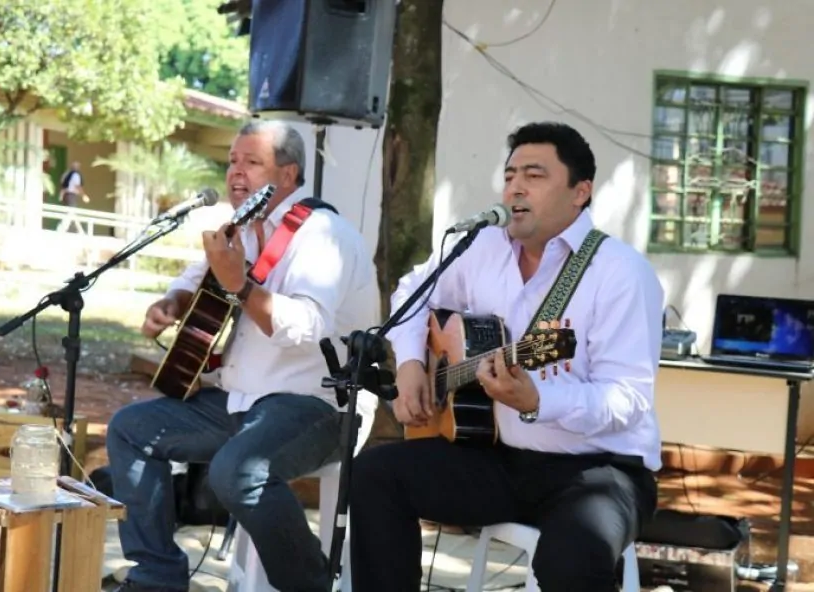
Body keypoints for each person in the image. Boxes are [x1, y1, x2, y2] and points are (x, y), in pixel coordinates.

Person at [349, 121, 664, 592]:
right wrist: (412, 362)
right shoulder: (482, 246)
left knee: (572, 559)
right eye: (510, 175)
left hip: (600, 469)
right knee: (375, 476)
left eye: (534, 176)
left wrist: (538, 400)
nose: (515, 187)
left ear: (580, 193)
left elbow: (627, 401)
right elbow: (412, 291)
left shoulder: (620, 273)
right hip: (500, 458)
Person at [106, 120, 379, 592]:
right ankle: (157, 578)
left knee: (238, 471)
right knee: (131, 430)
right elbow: (196, 275)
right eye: (233, 160)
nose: (236, 171)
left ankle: (312, 585)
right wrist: (173, 302)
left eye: (252, 162)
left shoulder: (323, 235)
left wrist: (240, 285)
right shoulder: (244, 229)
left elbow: (307, 327)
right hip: (242, 401)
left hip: (319, 406)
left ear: (288, 174)